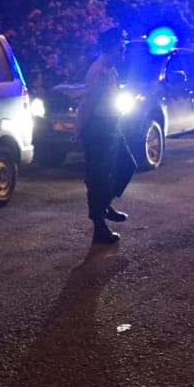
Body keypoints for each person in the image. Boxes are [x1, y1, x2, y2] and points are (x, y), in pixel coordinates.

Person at [71, 26, 137, 244]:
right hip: (98, 129)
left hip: (111, 126)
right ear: (110, 47)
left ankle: (105, 204)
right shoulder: (98, 72)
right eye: (120, 46)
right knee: (97, 177)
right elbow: (87, 104)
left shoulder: (111, 69)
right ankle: (99, 226)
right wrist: (79, 129)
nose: (124, 49)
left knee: (127, 165)